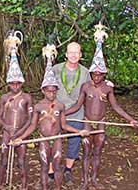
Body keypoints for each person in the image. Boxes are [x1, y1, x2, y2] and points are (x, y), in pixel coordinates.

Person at [65, 22, 138, 189]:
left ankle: (94, 179)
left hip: (101, 123)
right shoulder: (86, 86)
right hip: (87, 122)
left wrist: (130, 119)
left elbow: (116, 106)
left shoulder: (107, 88)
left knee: (97, 152)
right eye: (94, 73)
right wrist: (63, 114)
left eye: (100, 74)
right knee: (86, 153)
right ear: (90, 73)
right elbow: (77, 106)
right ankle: (84, 181)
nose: (97, 76)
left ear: (104, 74)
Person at [13, 45, 88, 190]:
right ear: (43, 90)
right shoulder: (38, 106)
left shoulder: (60, 106)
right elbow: (33, 126)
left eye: (54, 91)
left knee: (58, 164)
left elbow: (64, 126)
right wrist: (21, 138)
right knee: (44, 166)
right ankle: (45, 186)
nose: (52, 94)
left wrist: (80, 132)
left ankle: (60, 184)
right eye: (49, 91)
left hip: (57, 138)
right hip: (43, 140)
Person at [0, 31, 33, 190]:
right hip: (7, 132)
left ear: (22, 83)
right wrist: (6, 127)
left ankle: (23, 184)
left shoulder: (27, 98)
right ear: (8, 83)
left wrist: (19, 133)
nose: (15, 86)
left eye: (18, 83)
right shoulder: (4, 98)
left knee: (21, 160)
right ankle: (0, 183)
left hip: (20, 133)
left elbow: (31, 119)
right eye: (12, 83)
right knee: (4, 158)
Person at [51, 42, 91, 184]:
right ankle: (51, 170)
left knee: (74, 141)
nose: (73, 55)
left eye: (77, 52)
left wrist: (108, 84)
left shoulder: (85, 72)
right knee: (55, 140)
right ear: (66, 54)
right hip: (56, 113)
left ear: (80, 55)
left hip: (77, 113)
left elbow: (90, 90)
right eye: (71, 52)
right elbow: (46, 86)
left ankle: (68, 169)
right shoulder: (55, 69)